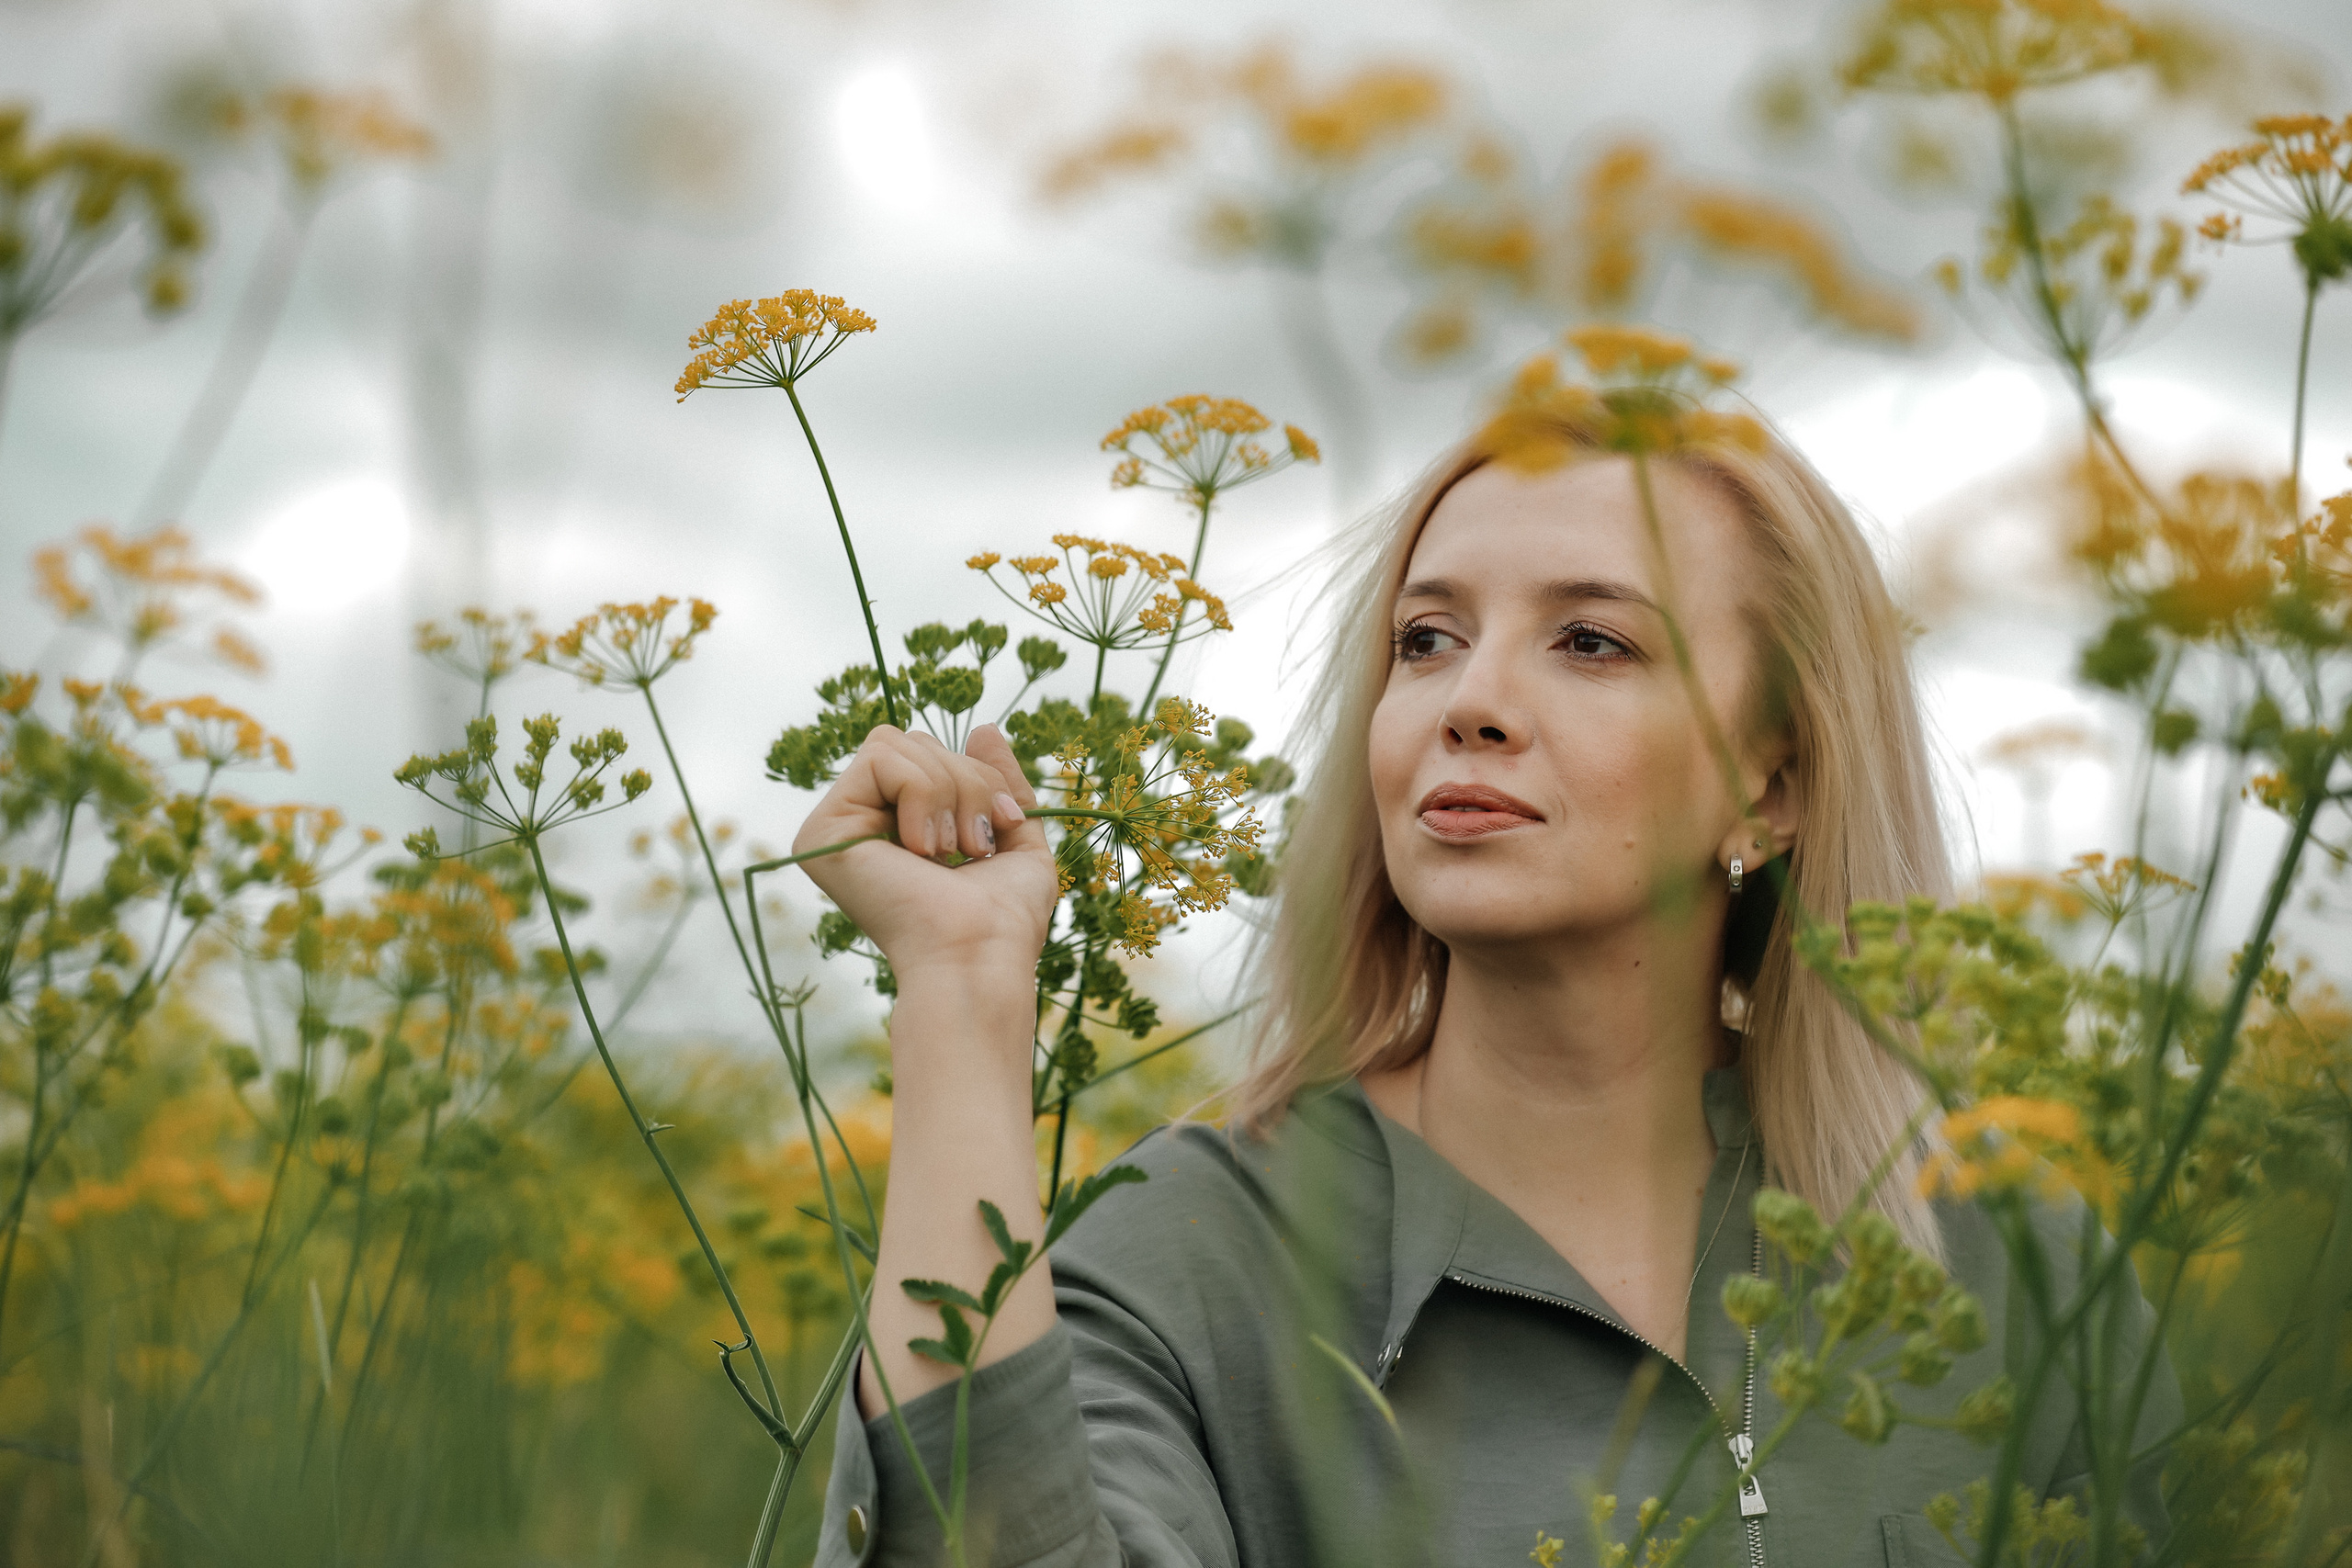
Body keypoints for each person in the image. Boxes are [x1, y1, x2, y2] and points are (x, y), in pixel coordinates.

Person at [793, 408, 2175, 1567]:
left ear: (1780, 777)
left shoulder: (2014, 1266)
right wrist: (965, 993)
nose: (1470, 702)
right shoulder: (1194, 1252)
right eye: (1426, 640)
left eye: (1593, 643)